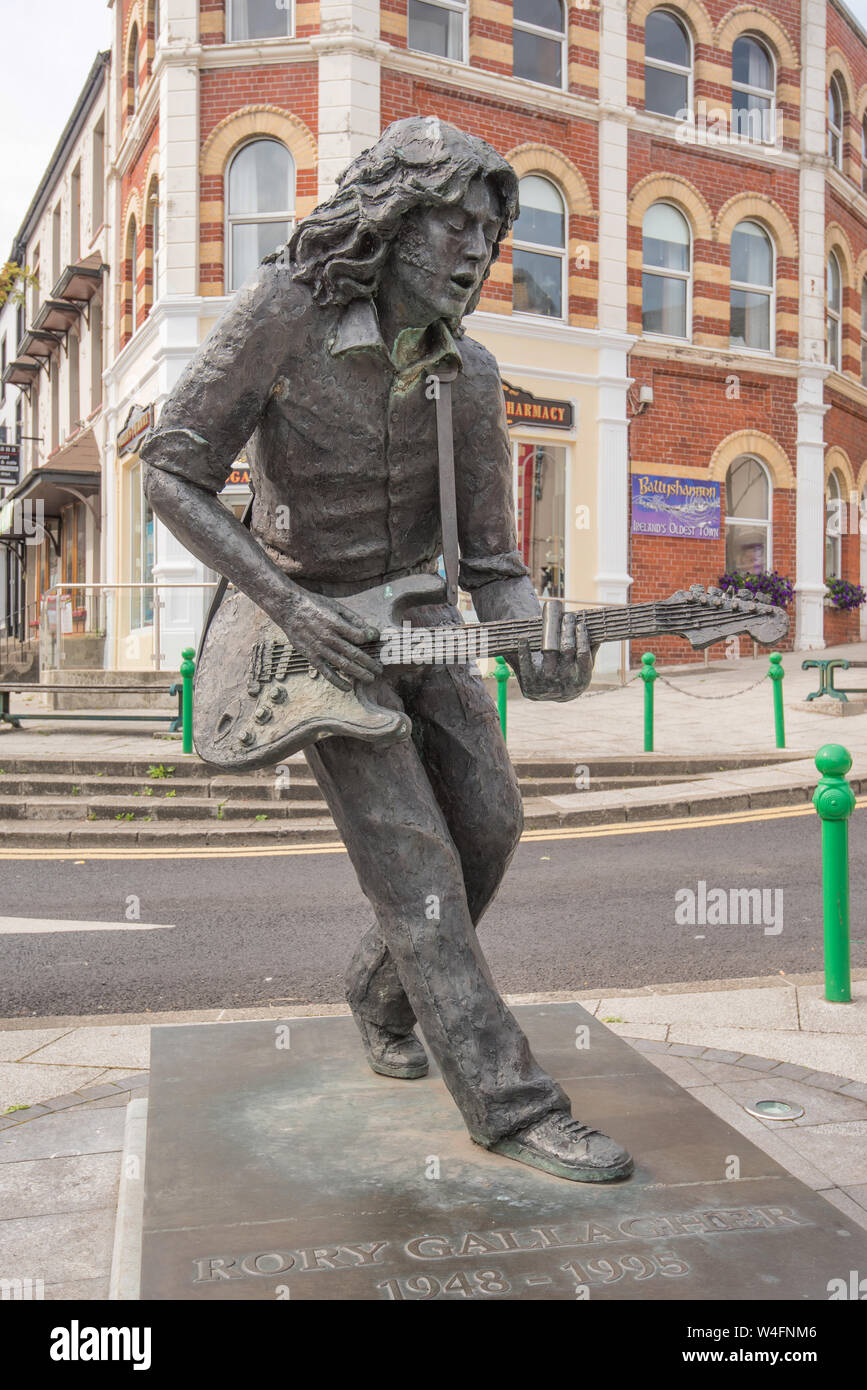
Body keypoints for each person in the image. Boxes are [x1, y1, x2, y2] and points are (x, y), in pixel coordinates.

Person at [140, 117, 633, 1183]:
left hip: (425, 626)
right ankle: (510, 1103)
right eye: (453, 223)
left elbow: (494, 561)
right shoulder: (284, 315)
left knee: (490, 826)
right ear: (393, 215)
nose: (473, 251)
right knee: (416, 862)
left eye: (489, 235)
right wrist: (281, 602)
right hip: (308, 633)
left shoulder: (477, 377)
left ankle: (378, 994)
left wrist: (545, 643)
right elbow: (171, 473)